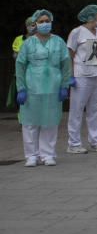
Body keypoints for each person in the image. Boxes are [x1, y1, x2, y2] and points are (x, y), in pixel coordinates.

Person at [15, 10, 70, 167]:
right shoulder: (28, 43)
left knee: (50, 121)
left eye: (47, 20)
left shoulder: (58, 42)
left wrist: (64, 85)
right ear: (35, 24)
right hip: (32, 86)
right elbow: (20, 65)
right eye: (41, 21)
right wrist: (21, 88)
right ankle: (31, 155)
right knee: (30, 122)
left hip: (53, 86)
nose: (45, 23)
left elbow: (66, 64)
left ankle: (48, 154)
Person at [65, 4, 97, 154]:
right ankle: (74, 143)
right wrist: (70, 75)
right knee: (77, 109)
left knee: (96, 110)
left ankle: (95, 141)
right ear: (91, 16)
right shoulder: (77, 32)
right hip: (82, 75)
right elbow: (69, 54)